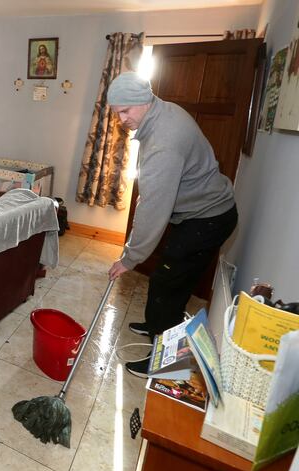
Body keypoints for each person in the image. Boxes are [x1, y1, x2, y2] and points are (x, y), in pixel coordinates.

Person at [105, 72, 238, 377]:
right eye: (117, 113)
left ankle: (165, 363)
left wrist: (130, 258)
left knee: (167, 284)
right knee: (173, 279)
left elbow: (154, 206)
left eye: (126, 111)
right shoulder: (162, 112)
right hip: (200, 214)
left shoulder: (163, 140)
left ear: (144, 101)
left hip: (208, 218)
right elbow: (152, 194)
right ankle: (156, 327)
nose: (122, 119)